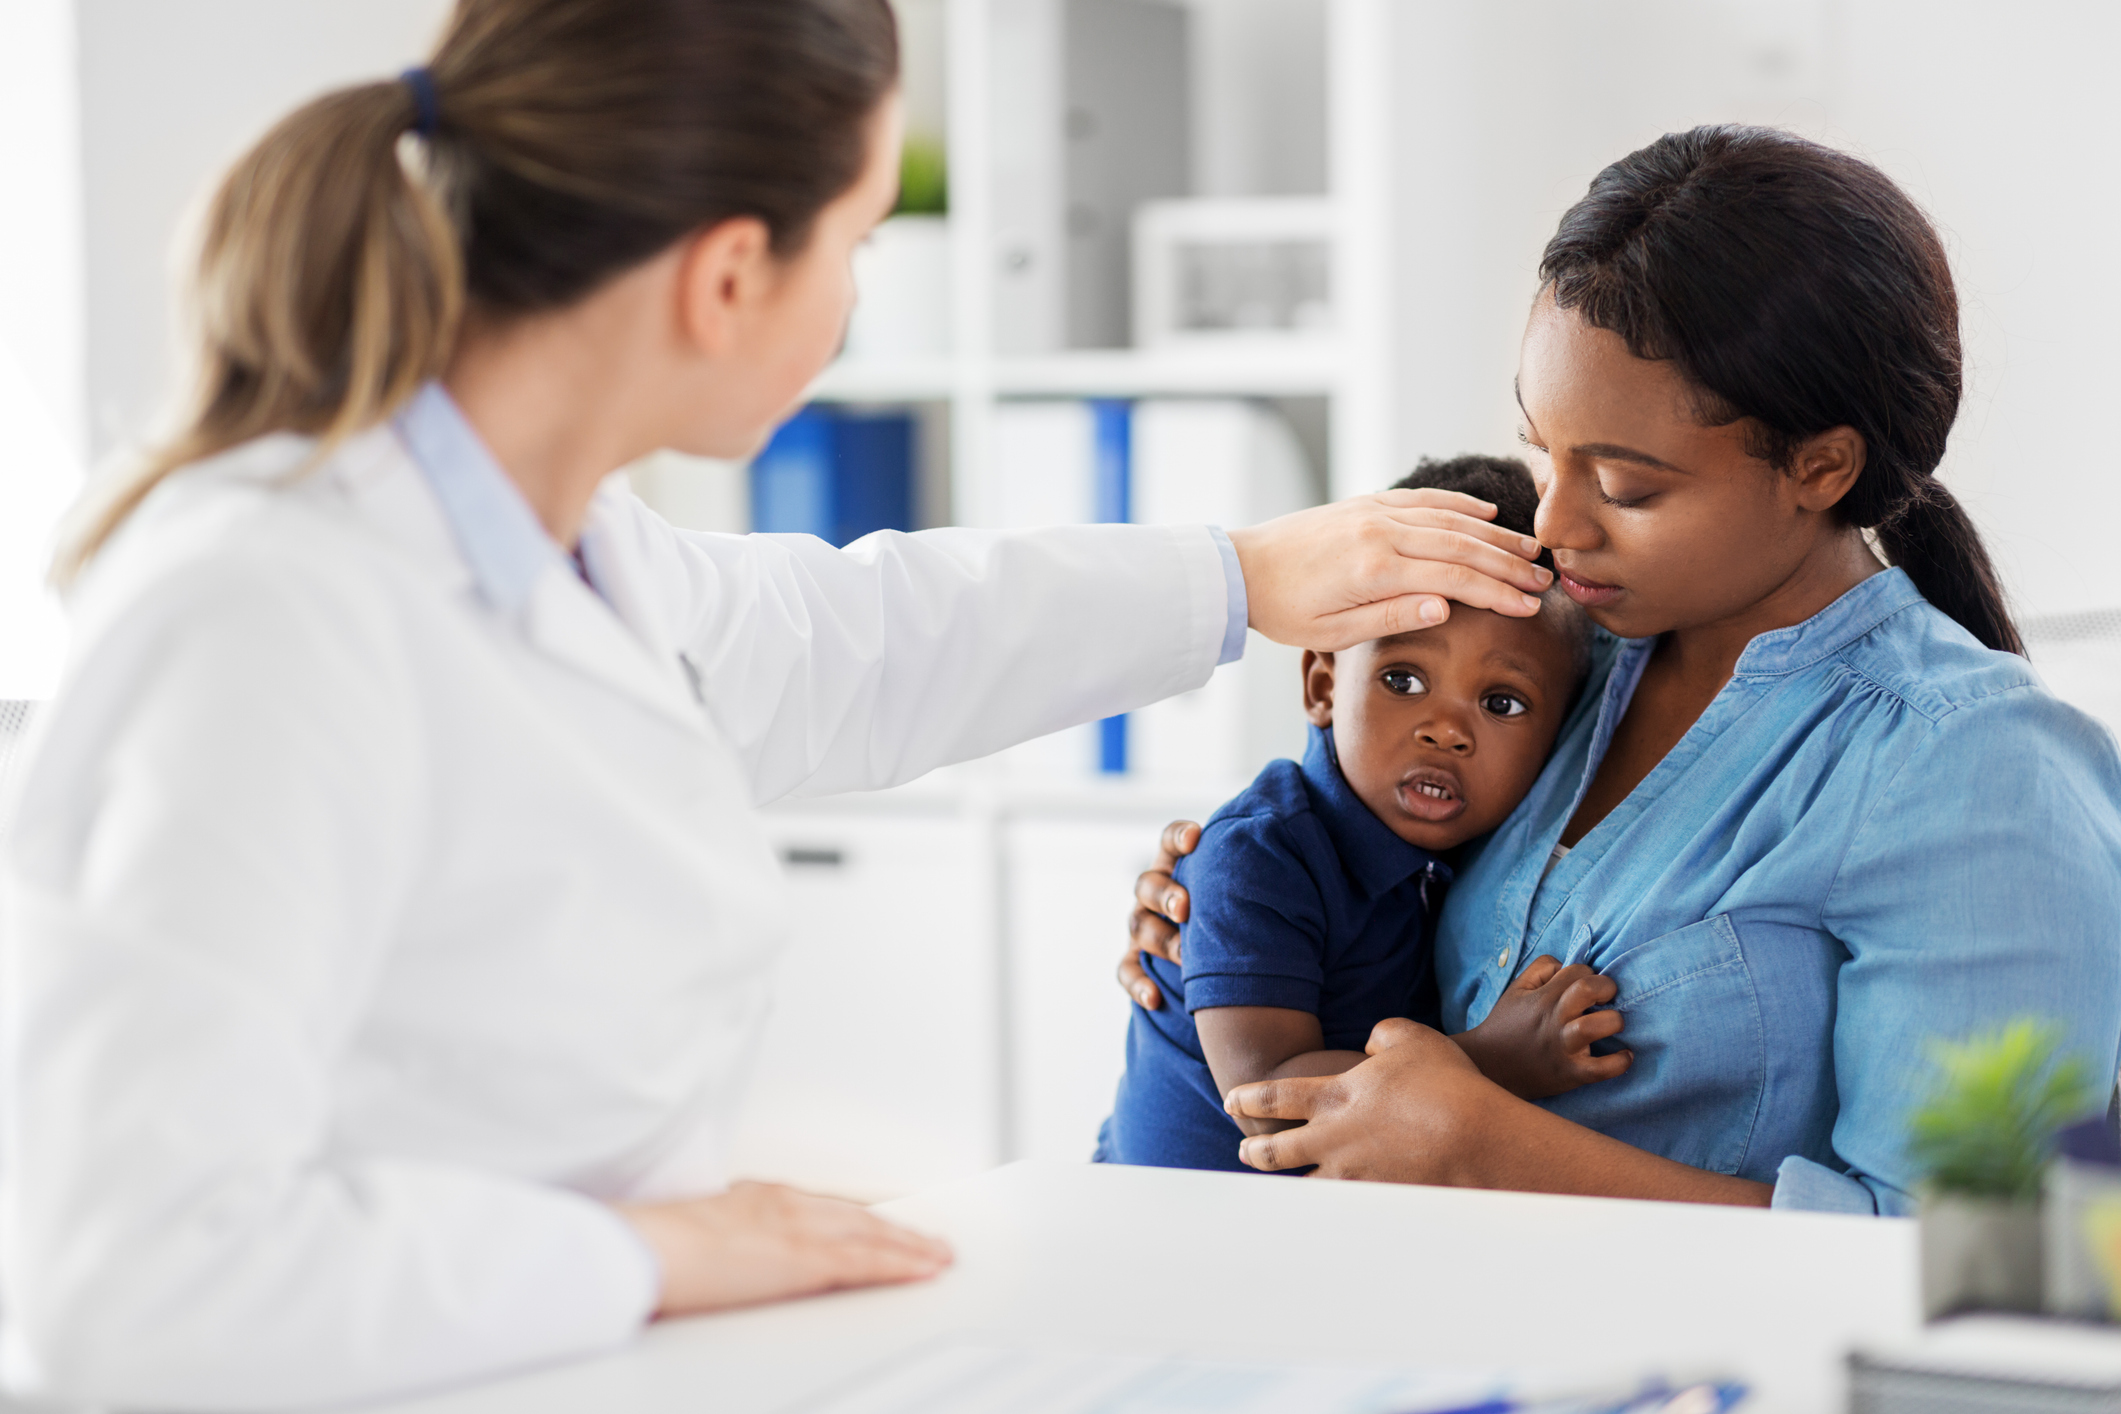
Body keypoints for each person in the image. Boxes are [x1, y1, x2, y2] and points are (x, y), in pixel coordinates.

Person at [0, 2, 1561, 1408]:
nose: (860, 289)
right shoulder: (268, 608)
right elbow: (132, 1283)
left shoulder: (578, 554)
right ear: (733, 273)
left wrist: (1240, 573)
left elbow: (861, 636)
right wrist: (659, 1250)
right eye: (861, 239)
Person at [1119, 124, 2121, 1213]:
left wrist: (1487, 1143)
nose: (1554, 524)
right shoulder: (1557, 664)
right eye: (1545, 452)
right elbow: (1355, 868)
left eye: (1627, 488)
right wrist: (1231, 906)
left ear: (1820, 466)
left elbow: (1992, 1267)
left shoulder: (1975, 770)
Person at [1096, 456, 1623, 1174]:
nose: (1446, 730)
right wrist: (1494, 1061)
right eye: (1401, 679)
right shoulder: (1259, 854)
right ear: (1321, 684)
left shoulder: (1464, 854)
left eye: (1501, 703)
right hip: (1171, 1229)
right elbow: (1267, 1094)